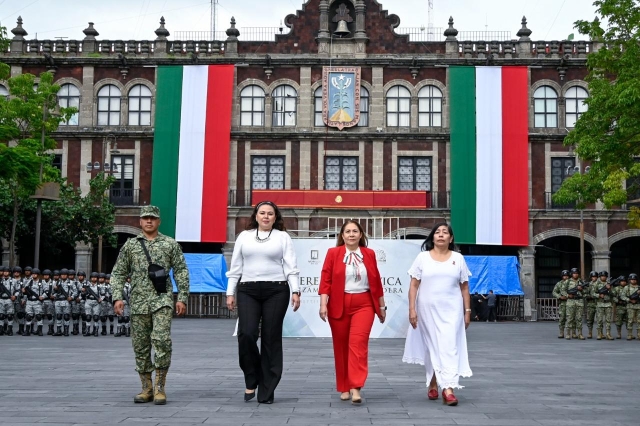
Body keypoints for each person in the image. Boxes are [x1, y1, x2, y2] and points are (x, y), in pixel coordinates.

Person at [111, 205, 190, 405]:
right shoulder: (130, 246)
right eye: (145, 218)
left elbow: (181, 270)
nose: (149, 221)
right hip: (138, 302)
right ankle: (146, 387)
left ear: (159, 221)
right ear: (140, 221)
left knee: (162, 340)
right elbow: (119, 272)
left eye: (153, 218)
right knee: (141, 345)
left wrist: (182, 297)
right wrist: (117, 297)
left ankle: (160, 386)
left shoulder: (170, 244)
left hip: (162, 299)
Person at [226, 200, 301, 404]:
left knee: (271, 338)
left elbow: (291, 266)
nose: (266, 216)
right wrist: (230, 292)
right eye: (262, 213)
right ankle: (252, 378)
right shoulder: (245, 236)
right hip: (248, 289)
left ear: (275, 217)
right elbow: (236, 267)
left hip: (277, 290)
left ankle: (267, 390)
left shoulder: (283, 237)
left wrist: (296, 290)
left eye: (270, 213)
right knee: (247, 334)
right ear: (256, 216)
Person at [402, 222, 472, 406]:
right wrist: (412, 309)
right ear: (432, 237)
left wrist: (467, 311)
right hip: (427, 310)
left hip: (452, 310)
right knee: (433, 346)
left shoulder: (458, 258)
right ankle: (434, 381)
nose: (441, 235)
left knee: (448, 347)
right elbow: (414, 285)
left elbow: (464, 287)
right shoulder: (422, 258)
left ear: (451, 238)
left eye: (445, 232)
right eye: (437, 232)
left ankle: (448, 389)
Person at [318, 220, 386, 404]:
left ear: (361, 235)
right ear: (342, 235)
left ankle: (356, 386)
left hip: (364, 304)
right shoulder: (333, 253)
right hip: (339, 303)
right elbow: (326, 279)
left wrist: (381, 306)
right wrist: (323, 304)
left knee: (358, 344)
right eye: (347, 231)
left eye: (355, 231)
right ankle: (344, 386)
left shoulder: (369, 254)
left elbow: (376, 282)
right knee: (340, 347)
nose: (351, 234)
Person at [592, 271, 614, 340]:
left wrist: (609, 289)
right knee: (599, 320)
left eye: (605, 276)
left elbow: (613, 294)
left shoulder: (609, 284)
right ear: (600, 277)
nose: (603, 277)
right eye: (602, 276)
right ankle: (599, 333)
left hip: (608, 304)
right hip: (600, 304)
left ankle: (608, 333)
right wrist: (599, 295)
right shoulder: (596, 284)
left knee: (608, 320)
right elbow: (592, 293)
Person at [565, 268, 586, 340]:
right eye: (574, 273)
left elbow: (586, 292)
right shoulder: (567, 282)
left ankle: (580, 334)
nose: (575, 274)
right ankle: (568, 333)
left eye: (577, 273)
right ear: (571, 274)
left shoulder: (581, 282)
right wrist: (568, 295)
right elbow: (562, 290)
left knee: (579, 318)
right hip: (570, 301)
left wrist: (582, 289)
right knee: (570, 318)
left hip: (579, 301)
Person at [620, 273, 640, 340]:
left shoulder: (639, 288)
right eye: (632, 279)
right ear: (629, 280)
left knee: (639, 321)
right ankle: (629, 334)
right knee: (630, 321)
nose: (633, 281)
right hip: (630, 306)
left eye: (634, 279)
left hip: (638, 306)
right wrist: (629, 300)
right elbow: (622, 296)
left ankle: (639, 334)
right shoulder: (626, 287)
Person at [552, 270, 569, 338]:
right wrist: (560, 297)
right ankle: (561, 332)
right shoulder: (559, 284)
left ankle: (571, 333)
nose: (566, 277)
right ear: (562, 277)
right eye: (564, 276)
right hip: (562, 303)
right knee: (562, 318)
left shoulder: (571, 283)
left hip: (571, 302)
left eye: (567, 276)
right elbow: (554, 292)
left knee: (571, 319)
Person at [585, 271, 598, 338]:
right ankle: (590, 332)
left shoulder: (599, 284)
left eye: (595, 277)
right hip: (591, 303)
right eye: (593, 277)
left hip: (598, 303)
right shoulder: (588, 285)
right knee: (590, 319)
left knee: (600, 320)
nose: (594, 278)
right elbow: (585, 293)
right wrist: (588, 296)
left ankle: (600, 333)